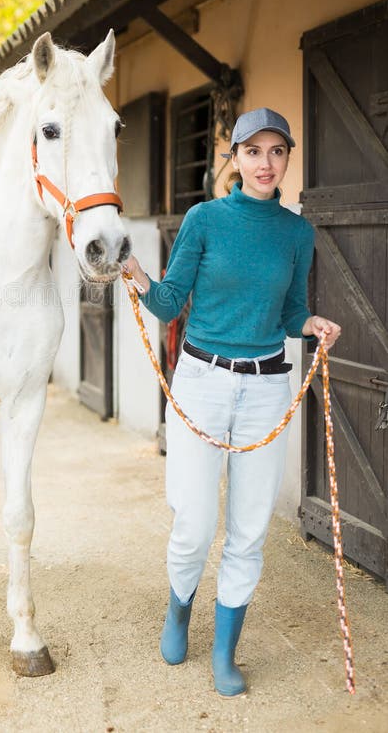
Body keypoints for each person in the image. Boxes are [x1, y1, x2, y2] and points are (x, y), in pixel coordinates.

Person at [123, 107, 340, 697]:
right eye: (253, 151)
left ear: (287, 159)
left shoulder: (298, 233)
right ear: (235, 159)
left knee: (248, 529)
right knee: (194, 523)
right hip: (201, 381)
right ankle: (177, 614)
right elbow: (170, 304)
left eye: (277, 152)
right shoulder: (205, 219)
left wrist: (311, 322)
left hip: (267, 386)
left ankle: (225, 650)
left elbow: (291, 310)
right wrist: (138, 274)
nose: (265, 163)